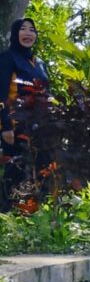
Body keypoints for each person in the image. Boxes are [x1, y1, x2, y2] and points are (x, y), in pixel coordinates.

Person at [0, 18, 49, 211]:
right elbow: (1, 94)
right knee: (15, 171)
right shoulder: (7, 58)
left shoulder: (41, 63)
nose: (28, 33)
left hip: (40, 127)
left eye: (32, 29)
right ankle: (8, 215)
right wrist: (5, 126)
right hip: (15, 126)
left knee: (40, 170)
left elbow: (47, 93)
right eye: (23, 29)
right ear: (15, 33)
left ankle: (33, 214)